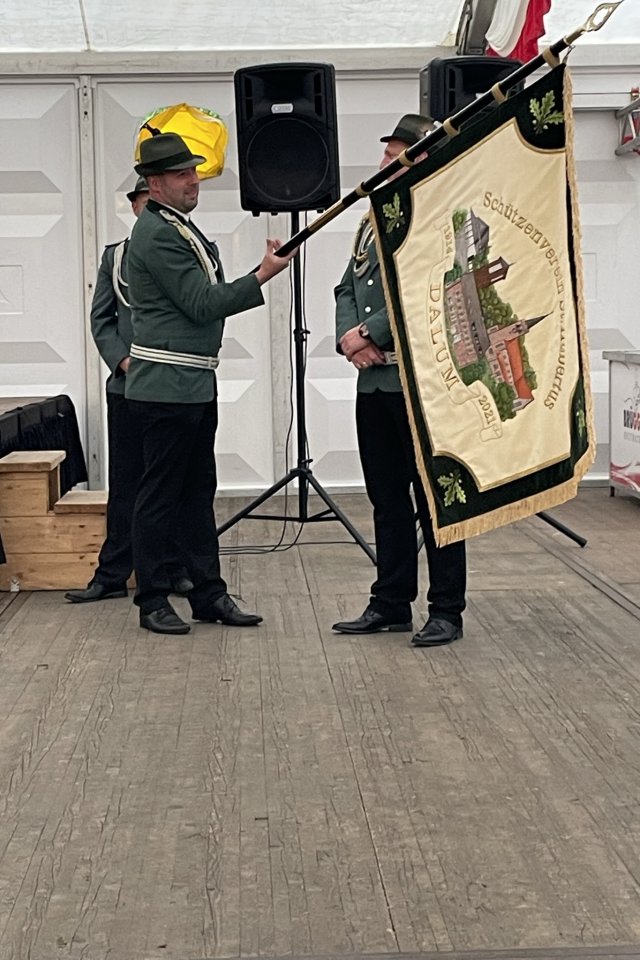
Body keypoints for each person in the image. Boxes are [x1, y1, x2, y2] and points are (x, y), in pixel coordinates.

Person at [125, 132, 297, 635]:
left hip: (192, 382)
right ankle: (153, 599)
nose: (193, 180)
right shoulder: (157, 234)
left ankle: (207, 592)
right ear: (154, 184)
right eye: (181, 174)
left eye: (194, 171)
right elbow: (201, 303)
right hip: (166, 387)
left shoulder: (175, 225)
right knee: (160, 496)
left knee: (197, 493)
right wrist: (262, 275)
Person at [331, 114, 467, 647]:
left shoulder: (436, 214)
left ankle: (446, 609)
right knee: (387, 499)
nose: (384, 164)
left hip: (421, 385)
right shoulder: (373, 217)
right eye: (386, 154)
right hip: (375, 383)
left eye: (395, 156)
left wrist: (369, 332)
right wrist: (349, 338)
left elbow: (428, 286)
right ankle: (390, 601)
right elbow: (347, 285)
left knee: (436, 500)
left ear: (422, 157)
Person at [65, 176, 193, 604]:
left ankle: (174, 568)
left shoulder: (186, 249)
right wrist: (122, 361)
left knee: (175, 482)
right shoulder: (115, 256)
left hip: (171, 386)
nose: (147, 209)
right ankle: (113, 573)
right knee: (126, 483)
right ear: (135, 206)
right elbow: (101, 318)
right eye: (141, 202)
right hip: (127, 386)